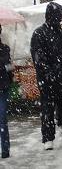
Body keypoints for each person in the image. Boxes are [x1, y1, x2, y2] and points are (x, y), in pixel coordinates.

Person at [30, 2, 62, 150]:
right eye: (58, 16)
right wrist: (48, 72)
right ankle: (48, 138)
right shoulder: (39, 33)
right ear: (50, 16)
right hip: (47, 79)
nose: (60, 19)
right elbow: (38, 56)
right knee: (48, 108)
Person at [0, 24, 13, 158]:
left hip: (2, 88)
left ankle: (5, 149)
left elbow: (7, 66)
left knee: (2, 119)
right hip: (3, 85)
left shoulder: (4, 48)